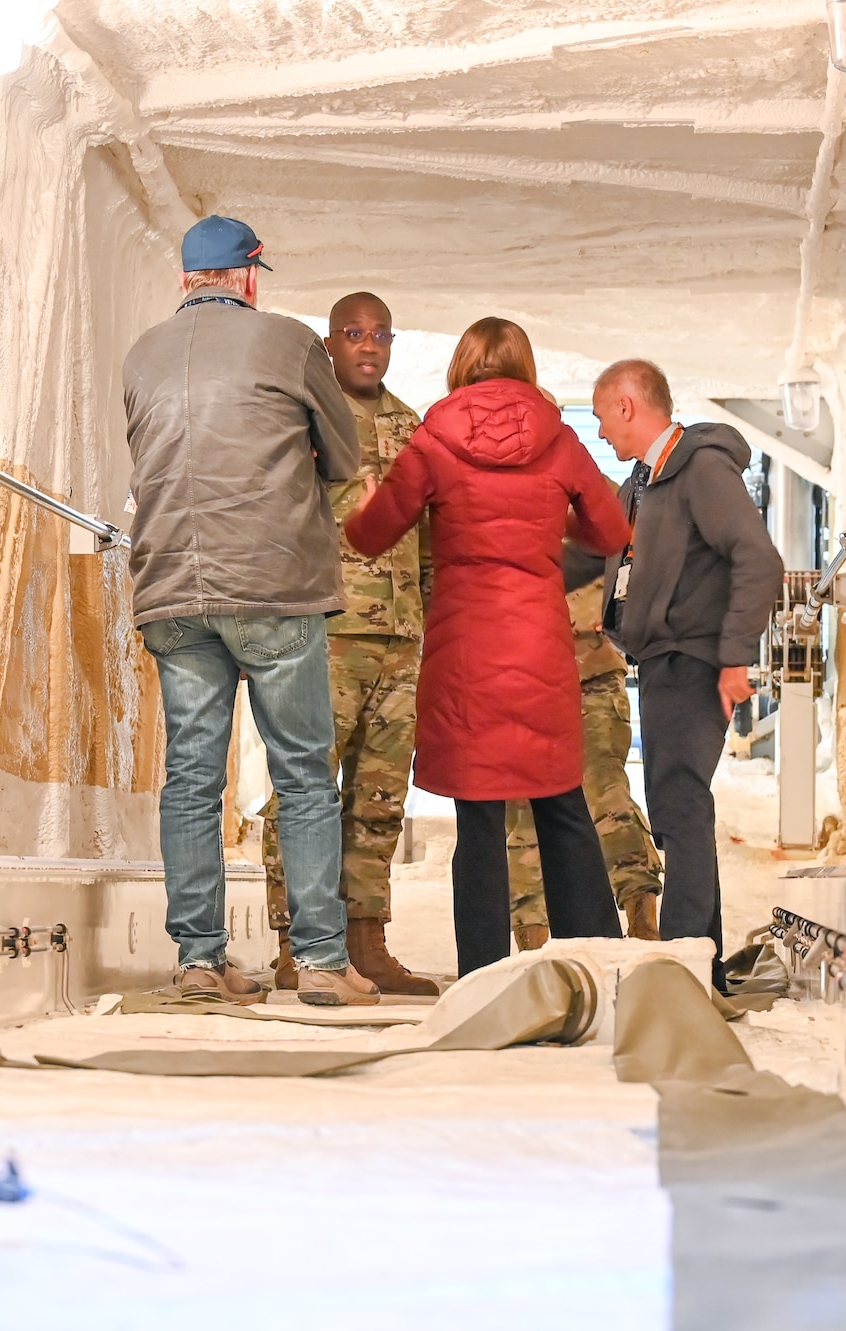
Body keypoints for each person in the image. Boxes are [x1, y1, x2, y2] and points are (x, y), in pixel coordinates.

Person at [122, 214, 378, 1008]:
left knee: (192, 776)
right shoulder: (289, 341)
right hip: (274, 586)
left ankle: (201, 961)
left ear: (185, 280)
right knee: (302, 773)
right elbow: (344, 456)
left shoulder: (141, 354)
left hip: (171, 586)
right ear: (250, 278)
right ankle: (324, 964)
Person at [344, 318, 632, 976]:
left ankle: (482, 979)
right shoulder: (558, 438)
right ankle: (600, 969)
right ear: (524, 365)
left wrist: (366, 503)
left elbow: (373, 534)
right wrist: (550, 514)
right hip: (538, 645)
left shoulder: (435, 437)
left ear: (463, 365)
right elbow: (611, 529)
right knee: (562, 802)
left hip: (465, 648)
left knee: (479, 821)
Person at [260, 291, 440, 997]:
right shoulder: (300, 417)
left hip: (401, 638)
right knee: (302, 791)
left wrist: (432, 617)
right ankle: (296, 941)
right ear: (329, 343)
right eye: (353, 333)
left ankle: (366, 942)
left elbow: (428, 534)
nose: (368, 346)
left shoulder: (410, 425)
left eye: (380, 335)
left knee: (380, 796)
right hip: (323, 630)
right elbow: (276, 517)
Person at [590, 358, 783, 992]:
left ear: (627, 406)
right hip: (663, 659)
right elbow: (604, 557)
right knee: (676, 804)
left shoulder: (700, 468)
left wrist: (733, 655)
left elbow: (759, 559)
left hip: (695, 658)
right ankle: (702, 961)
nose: (600, 434)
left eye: (600, 418)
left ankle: (684, 964)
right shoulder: (644, 483)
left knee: (679, 804)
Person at [506, 569, 663, 948]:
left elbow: (627, 549)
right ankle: (534, 945)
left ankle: (643, 926)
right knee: (523, 804)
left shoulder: (597, 508)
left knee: (605, 795)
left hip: (588, 662)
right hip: (519, 665)